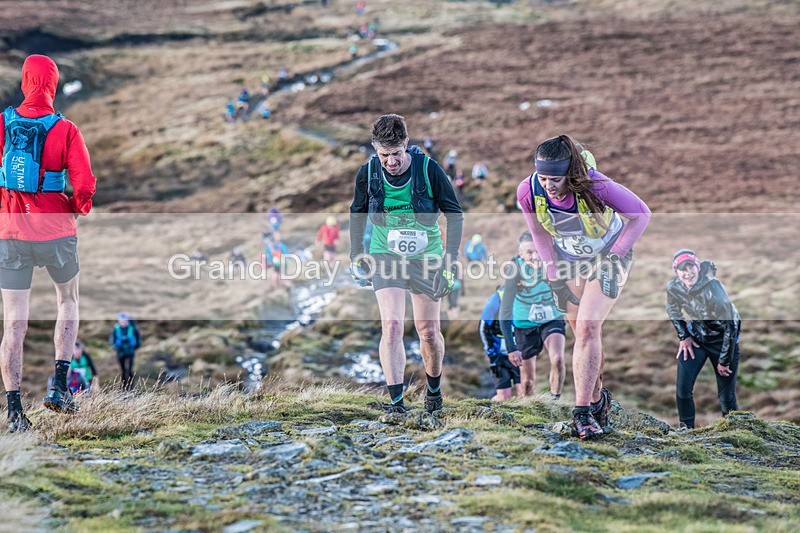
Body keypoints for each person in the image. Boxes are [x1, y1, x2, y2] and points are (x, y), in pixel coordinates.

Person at [517, 134, 651, 439]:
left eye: (555, 178)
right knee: (582, 334)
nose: (549, 185)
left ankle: (582, 413)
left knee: (589, 327)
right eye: (543, 177)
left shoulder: (596, 185)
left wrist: (614, 258)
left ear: (571, 173)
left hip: (608, 256)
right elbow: (539, 234)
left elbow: (642, 214)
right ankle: (597, 398)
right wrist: (552, 275)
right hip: (568, 261)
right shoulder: (528, 190)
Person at [0, 55, 97, 432]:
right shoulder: (66, 129)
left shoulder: (3, 124)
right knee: (68, 301)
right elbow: (85, 183)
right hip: (56, 231)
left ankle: (14, 412)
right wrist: (76, 207)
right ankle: (59, 386)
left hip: (10, 235)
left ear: (25, 82)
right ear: (53, 85)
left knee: (14, 325)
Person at [349, 114, 463, 414]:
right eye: (384, 155)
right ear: (375, 149)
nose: (391, 162)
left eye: (396, 154)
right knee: (392, 325)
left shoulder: (429, 169)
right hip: (385, 254)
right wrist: (355, 254)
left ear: (406, 145)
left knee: (427, 330)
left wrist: (450, 264)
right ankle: (397, 403)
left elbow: (454, 214)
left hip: (427, 257)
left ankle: (434, 391)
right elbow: (357, 212)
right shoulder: (368, 172)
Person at [666, 249, 740, 429]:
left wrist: (724, 360)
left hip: (723, 342)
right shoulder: (674, 287)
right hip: (697, 340)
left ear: (697, 267)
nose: (687, 273)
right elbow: (673, 310)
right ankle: (686, 432)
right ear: (677, 271)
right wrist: (684, 336)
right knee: (682, 390)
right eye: (682, 269)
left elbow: (731, 327)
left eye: (690, 267)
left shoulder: (715, 288)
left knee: (726, 397)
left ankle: (735, 433)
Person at [499, 232, 566, 399]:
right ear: (520, 254)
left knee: (557, 359)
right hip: (525, 324)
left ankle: (555, 400)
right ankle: (530, 406)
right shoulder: (515, 271)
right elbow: (505, 310)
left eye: (538, 250)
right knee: (528, 381)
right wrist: (511, 347)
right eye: (529, 252)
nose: (535, 256)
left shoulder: (553, 262)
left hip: (552, 318)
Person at [480, 287, 524, 401]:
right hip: (499, 357)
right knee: (504, 396)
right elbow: (483, 327)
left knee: (524, 392)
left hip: (519, 354)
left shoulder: (526, 295)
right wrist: (491, 353)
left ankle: (526, 418)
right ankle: (491, 409)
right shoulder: (496, 300)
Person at [109, 313, 141, 390]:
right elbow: (112, 339)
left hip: (130, 351)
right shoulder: (116, 328)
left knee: (130, 370)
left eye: (124, 320)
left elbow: (138, 337)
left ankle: (131, 387)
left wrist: (136, 346)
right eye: (121, 321)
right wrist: (114, 346)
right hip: (120, 352)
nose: (123, 322)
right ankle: (124, 387)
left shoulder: (132, 328)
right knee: (122, 370)